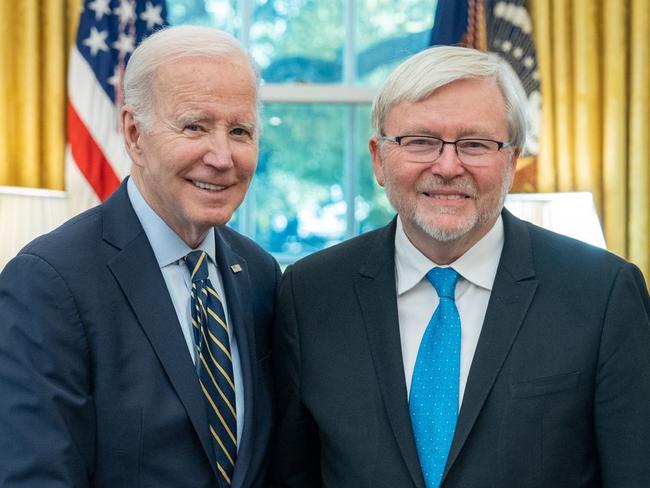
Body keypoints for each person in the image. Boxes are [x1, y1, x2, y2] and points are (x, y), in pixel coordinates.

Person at [268, 45, 650, 488]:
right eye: (419, 142)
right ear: (378, 158)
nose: (448, 166)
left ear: (511, 161)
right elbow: (291, 474)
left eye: (475, 144)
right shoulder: (310, 293)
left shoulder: (601, 293)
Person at [0, 26, 280, 487]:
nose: (222, 156)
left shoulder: (260, 274)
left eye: (240, 131)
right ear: (133, 134)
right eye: (195, 126)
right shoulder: (49, 281)